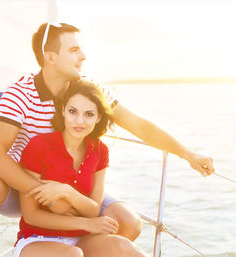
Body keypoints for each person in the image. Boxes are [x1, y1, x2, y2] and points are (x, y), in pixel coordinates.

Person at [0, 22, 214, 257]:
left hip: (72, 185)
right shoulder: (20, 93)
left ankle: (72, 248)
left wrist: (188, 154)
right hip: (23, 184)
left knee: (128, 224)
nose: (83, 56)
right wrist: (48, 195)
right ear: (50, 57)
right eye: (74, 50)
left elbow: (140, 126)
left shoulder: (88, 91)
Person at [14, 80, 148, 257]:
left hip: (79, 239)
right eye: (72, 112)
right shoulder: (39, 146)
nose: (79, 121)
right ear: (63, 111)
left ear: (98, 117)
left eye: (89, 114)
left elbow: (93, 209)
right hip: (37, 239)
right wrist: (85, 224)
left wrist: (67, 191)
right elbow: (31, 215)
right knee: (74, 255)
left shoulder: (100, 150)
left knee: (125, 248)